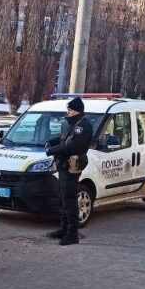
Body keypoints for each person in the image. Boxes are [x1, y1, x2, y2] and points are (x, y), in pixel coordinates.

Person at [44, 97, 93, 246]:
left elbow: (72, 146)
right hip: (64, 166)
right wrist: (52, 141)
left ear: (77, 111)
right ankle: (64, 229)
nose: (68, 113)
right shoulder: (75, 124)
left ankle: (72, 234)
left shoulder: (82, 126)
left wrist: (51, 150)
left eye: (70, 110)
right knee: (63, 199)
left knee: (70, 201)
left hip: (71, 167)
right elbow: (64, 139)